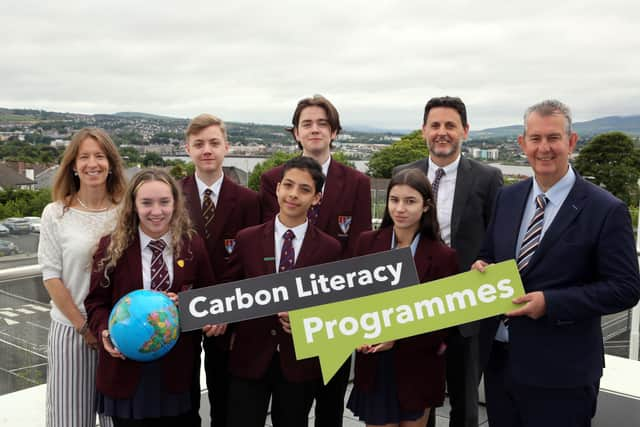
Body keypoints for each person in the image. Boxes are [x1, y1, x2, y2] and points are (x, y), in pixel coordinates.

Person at [472, 99, 640, 427]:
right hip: (500, 364)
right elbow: (490, 253)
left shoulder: (606, 210)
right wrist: (482, 266)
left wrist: (550, 303)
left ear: (571, 142)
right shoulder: (507, 197)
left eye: (553, 138)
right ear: (522, 144)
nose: (544, 148)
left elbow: (626, 288)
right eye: (535, 139)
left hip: (563, 374)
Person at [260, 95, 372, 426]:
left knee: (329, 407)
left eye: (322, 123)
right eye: (306, 123)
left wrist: (328, 307)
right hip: (285, 316)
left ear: (334, 131)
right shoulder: (273, 180)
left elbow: (360, 248)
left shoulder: (357, 182)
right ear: (295, 132)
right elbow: (273, 248)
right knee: (288, 410)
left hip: (334, 312)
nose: (315, 129)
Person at [394, 96, 502, 427]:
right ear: (424, 130)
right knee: (419, 395)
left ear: (465, 131)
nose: (442, 132)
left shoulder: (488, 178)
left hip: (467, 302)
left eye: (450, 126)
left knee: (464, 400)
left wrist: (486, 261)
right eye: (435, 125)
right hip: (416, 300)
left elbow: (498, 236)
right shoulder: (404, 173)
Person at [85, 169, 216, 427]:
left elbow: (208, 297)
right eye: (146, 203)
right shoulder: (111, 247)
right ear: (133, 206)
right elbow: (95, 303)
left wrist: (186, 304)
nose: (156, 211)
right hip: (126, 370)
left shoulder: (192, 245)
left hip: (176, 372)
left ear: (175, 204)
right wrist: (104, 331)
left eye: (164, 202)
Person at [225, 156, 341, 427]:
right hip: (249, 358)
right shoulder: (247, 239)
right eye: (288, 185)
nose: (293, 194)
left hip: (299, 363)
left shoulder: (330, 249)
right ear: (277, 188)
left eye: (304, 189)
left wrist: (309, 318)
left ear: (317, 198)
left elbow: (333, 307)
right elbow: (227, 290)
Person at [347, 168, 459, 427]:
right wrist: (354, 332)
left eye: (410, 201)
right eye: (394, 200)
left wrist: (397, 335)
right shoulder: (366, 243)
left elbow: (445, 322)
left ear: (426, 206)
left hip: (418, 365)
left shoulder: (444, 256)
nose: (400, 208)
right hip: (374, 363)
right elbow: (352, 301)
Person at [38, 127, 126, 427]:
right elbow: (51, 276)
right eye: (84, 156)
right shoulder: (55, 213)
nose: (93, 164)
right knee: (70, 419)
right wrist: (83, 326)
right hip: (71, 330)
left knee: (116, 418)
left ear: (111, 163)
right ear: (73, 165)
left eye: (100, 156)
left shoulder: (126, 212)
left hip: (120, 332)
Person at [181, 113, 261, 426]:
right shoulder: (171, 196)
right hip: (182, 311)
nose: (207, 150)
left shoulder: (248, 201)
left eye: (214, 142)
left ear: (227, 146)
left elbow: (252, 259)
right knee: (183, 399)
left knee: (225, 402)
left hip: (228, 317)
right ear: (187, 149)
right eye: (199, 144)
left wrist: (226, 309)